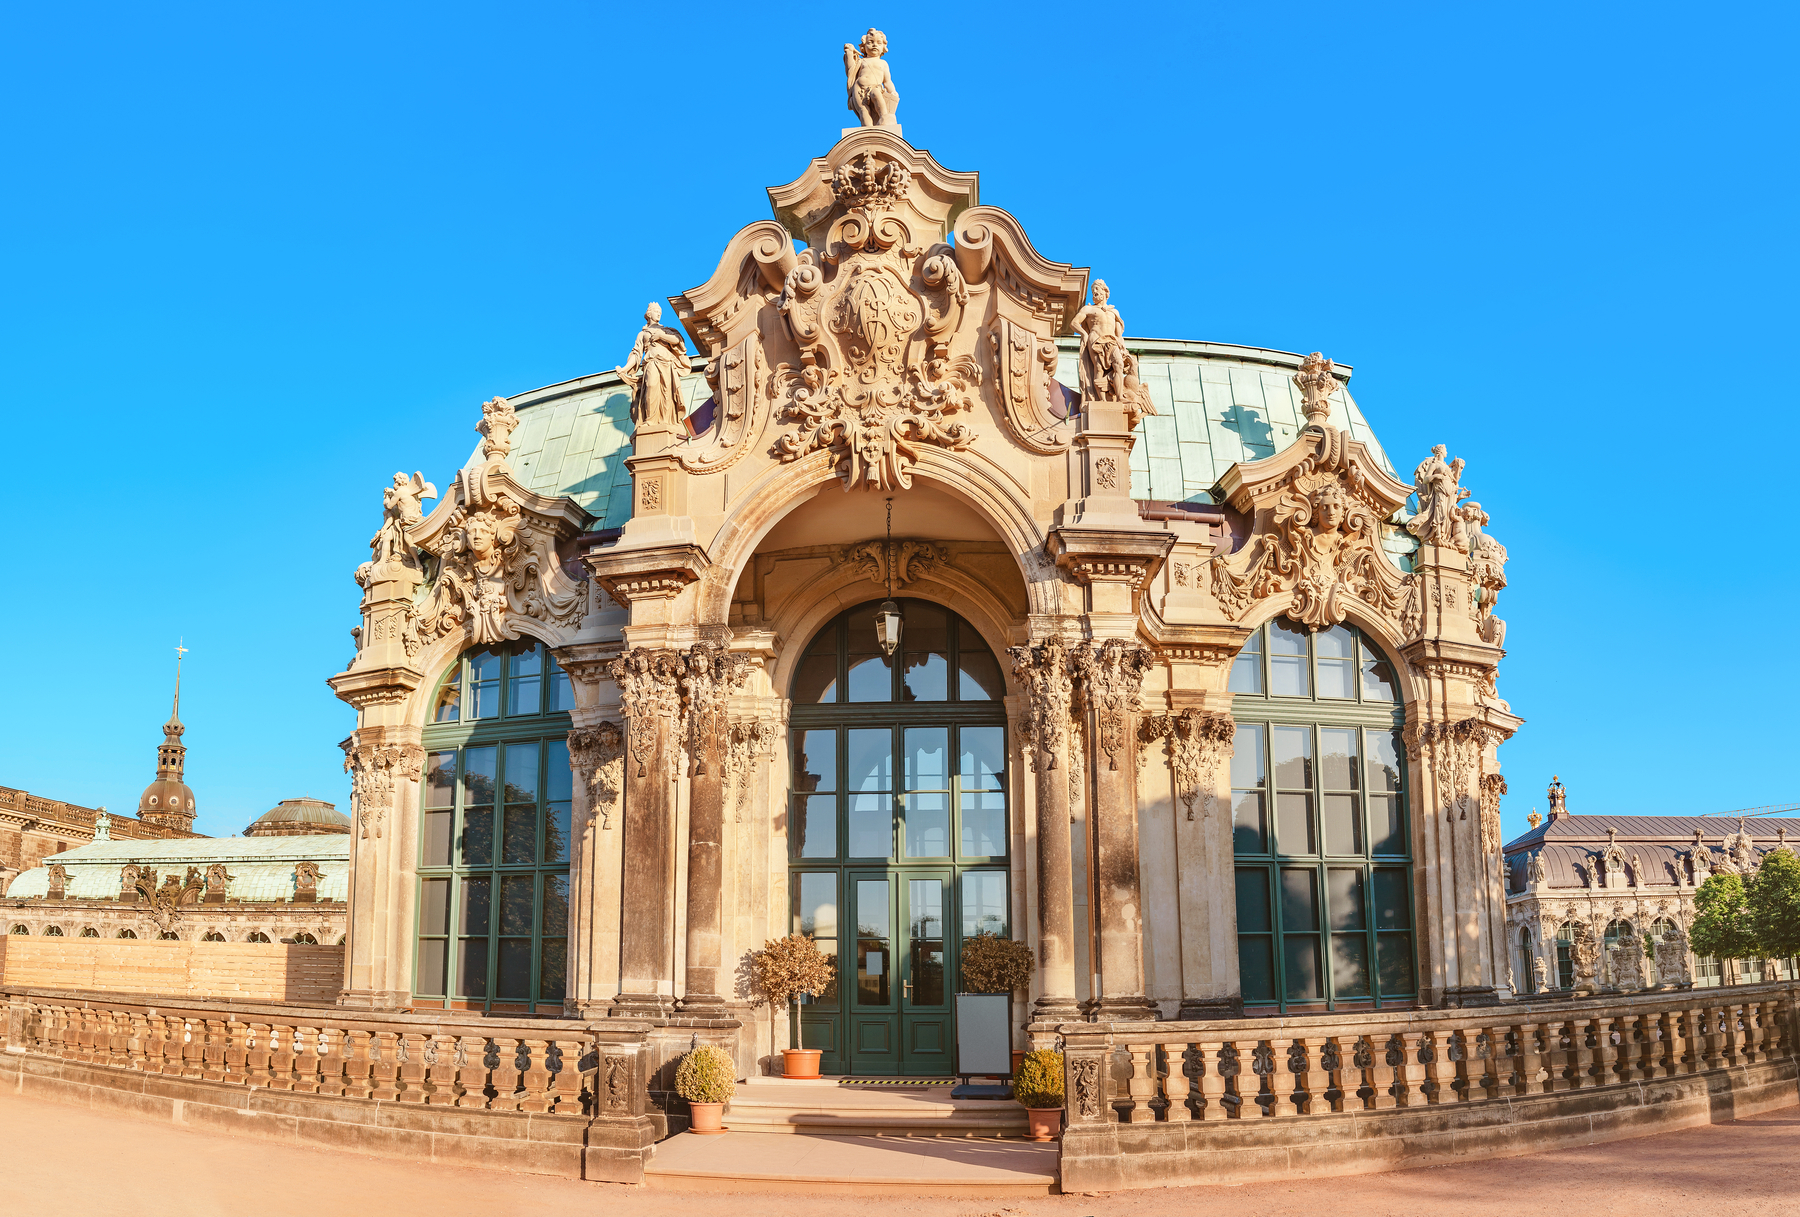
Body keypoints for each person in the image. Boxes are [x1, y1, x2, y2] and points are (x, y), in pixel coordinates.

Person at [844, 29, 899, 128]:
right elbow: (850, 70)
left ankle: (884, 117)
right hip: (859, 89)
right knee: (863, 109)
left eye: (878, 43)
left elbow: (887, 81)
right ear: (864, 47)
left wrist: (892, 91)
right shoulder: (861, 61)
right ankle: (867, 128)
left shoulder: (883, 63)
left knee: (876, 94)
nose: (874, 45)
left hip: (875, 87)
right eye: (870, 42)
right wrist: (849, 53)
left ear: (883, 47)